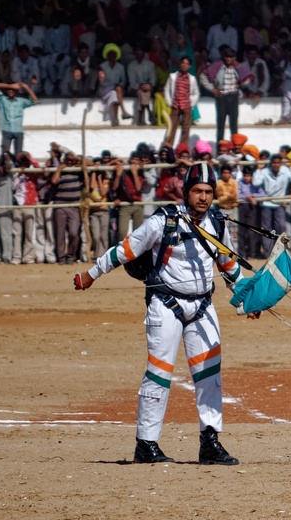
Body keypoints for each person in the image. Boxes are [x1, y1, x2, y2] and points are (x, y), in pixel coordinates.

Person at [74, 163, 258, 464]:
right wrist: (91, 274)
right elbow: (125, 250)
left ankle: (210, 442)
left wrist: (248, 301)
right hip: (165, 304)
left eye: (208, 192)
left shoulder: (218, 223)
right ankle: (146, 445)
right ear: (186, 192)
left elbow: (229, 266)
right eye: (197, 191)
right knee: (159, 373)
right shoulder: (163, 221)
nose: (203, 197)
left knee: (209, 374)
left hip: (202, 307)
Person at [253, 154, 291, 255]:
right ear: (271, 163)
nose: (276, 165)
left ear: (280, 164)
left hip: (279, 203)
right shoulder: (265, 172)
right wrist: (259, 170)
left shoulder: (285, 171)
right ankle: (268, 252)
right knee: (267, 229)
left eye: (278, 163)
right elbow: (256, 182)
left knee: (281, 227)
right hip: (267, 203)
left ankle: (281, 250)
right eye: (274, 162)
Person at [0, 81, 38, 158]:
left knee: (18, 155)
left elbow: (35, 101)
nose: (11, 91)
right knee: (4, 154)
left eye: (13, 90)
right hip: (6, 130)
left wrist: (26, 87)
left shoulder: (21, 101)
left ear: (16, 91)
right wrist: (10, 86)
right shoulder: (2, 99)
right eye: (9, 90)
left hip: (18, 131)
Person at [163, 56, 199, 147]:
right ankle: (169, 147)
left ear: (189, 66)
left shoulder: (192, 78)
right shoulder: (173, 76)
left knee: (186, 128)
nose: (184, 65)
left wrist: (192, 103)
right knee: (171, 127)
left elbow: (196, 92)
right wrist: (169, 102)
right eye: (183, 63)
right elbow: (167, 89)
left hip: (186, 105)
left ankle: (183, 148)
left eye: (187, 64)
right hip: (175, 105)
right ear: (180, 64)